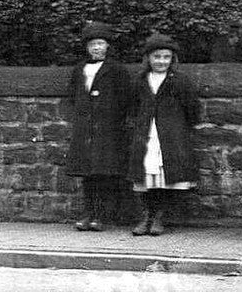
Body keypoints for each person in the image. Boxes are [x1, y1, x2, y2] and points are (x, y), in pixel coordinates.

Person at [126, 33, 200, 237]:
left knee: (165, 177)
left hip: (170, 135)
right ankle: (145, 216)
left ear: (172, 59)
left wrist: (179, 129)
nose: (161, 61)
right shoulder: (140, 80)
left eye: (166, 57)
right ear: (148, 58)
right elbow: (132, 107)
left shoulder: (180, 81)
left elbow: (192, 109)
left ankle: (159, 217)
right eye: (157, 57)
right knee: (145, 177)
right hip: (146, 134)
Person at [64, 21, 132, 231]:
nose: (96, 48)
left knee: (104, 174)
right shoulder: (80, 70)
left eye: (100, 44)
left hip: (107, 129)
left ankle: (101, 216)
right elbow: (73, 96)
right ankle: (88, 213)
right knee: (87, 174)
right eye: (93, 44)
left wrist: (115, 122)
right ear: (86, 47)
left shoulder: (116, 70)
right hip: (85, 130)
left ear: (107, 46)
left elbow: (124, 99)